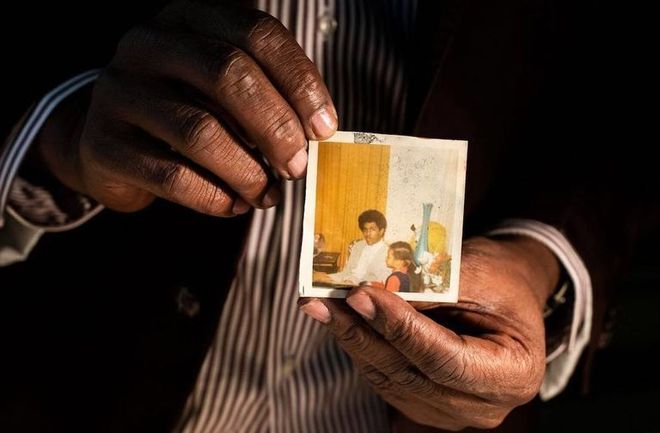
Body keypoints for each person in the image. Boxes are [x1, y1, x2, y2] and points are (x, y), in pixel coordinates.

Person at [1, 1, 654, 432]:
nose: (370, 234)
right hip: (82, 384)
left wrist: (535, 258)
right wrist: (60, 132)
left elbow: (618, 89)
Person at [314, 209, 391, 286]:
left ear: (381, 231)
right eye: (365, 229)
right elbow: (346, 272)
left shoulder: (388, 252)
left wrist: (353, 282)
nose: (367, 234)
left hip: (364, 287)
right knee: (317, 277)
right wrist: (328, 277)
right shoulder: (358, 246)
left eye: (372, 229)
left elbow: (380, 281)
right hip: (346, 282)